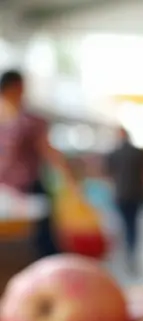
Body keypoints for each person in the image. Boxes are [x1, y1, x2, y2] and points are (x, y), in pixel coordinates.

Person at [0, 69, 76, 258]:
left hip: (21, 190)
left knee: (37, 242)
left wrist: (68, 179)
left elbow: (48, 151)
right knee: (34, 242)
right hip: (17, 190)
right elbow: (49, 152)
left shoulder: (29, 120)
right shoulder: (18, 121)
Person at [105, 128, 143, 275]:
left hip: (120, 195)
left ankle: (128, 254)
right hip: (136, 194)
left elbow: (107, 175)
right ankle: (132, 254)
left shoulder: (114, 153)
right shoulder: (138, 152)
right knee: (133, 226)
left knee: (124, 225)